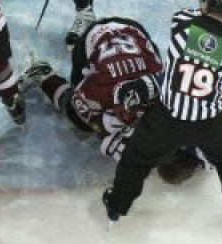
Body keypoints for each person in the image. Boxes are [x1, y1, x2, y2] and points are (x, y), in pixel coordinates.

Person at [102, 0, 222, 227]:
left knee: (137, 157)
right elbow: (212, 40)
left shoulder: (181, 22)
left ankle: (117, 207)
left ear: (205, 2)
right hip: (211, 123)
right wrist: (218, 12)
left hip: (168, 119)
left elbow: (197, 22)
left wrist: (208, 10)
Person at [19, 16, 163, 159]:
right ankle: (43, 74)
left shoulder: (165, 97)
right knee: (77, 116)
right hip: (98, 37)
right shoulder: (96, 94)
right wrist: (101, 128)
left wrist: (106, 128)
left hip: (131, 30)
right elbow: (78, 102)